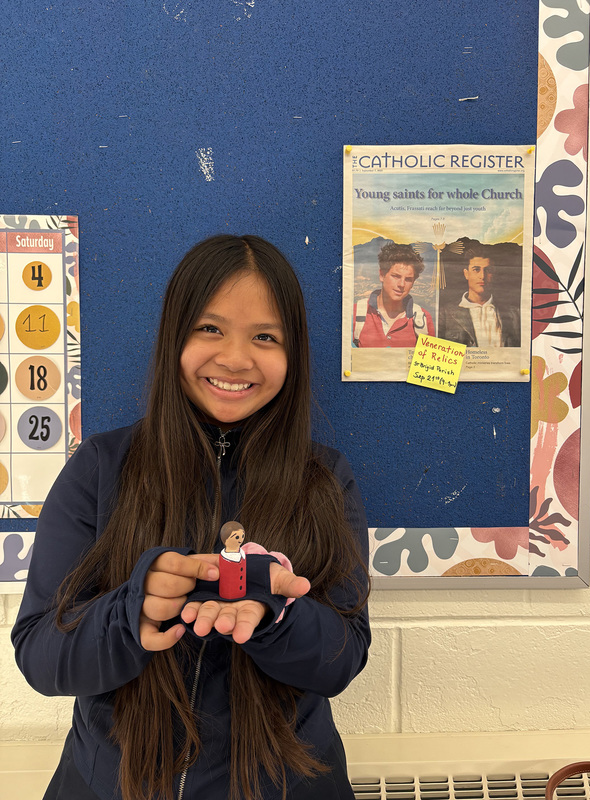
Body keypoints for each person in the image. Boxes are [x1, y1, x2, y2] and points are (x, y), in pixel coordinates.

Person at [12, 235, 370, 800]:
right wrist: (132, 612)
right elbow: (40, 655)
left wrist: (277, 618)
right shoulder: (100, 467)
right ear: (174, 336)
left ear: (293, 354)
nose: (235, 358)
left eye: (265, 337)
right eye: (210, 328)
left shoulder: (325, 477)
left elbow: (344, 658)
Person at [353, 242, 434, 347]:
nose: (401, 284)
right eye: (396, 276)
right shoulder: (356, 313)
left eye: (408, 279)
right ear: (382, 275)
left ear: (413, 283)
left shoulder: (423, 319)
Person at [438, 245, 520, 347]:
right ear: (466, 274)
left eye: (488, 270)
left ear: (493, 273)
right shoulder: (445, 313)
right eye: (476, 269)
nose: (482, 276)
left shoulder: (514, 314)